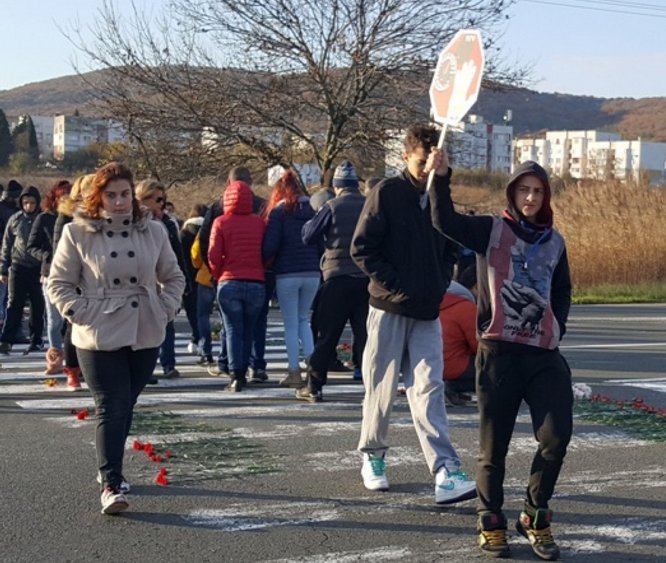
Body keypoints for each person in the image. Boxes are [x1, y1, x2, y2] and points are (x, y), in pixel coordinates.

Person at [430, 158, 572, 560]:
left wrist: (556, 326)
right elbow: (445, 221)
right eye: (524, 189)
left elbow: (562, 290)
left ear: (545, 196)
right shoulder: (491, 230)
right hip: (499, 354)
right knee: (494, 449)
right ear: (512, 192)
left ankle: (534, 515)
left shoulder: (555, 242)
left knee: (556, 437)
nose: (531, 197)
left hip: (544, 355)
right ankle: (490, 519)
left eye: (538, 191)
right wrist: (441, 179)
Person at [47, 162, 185, 515]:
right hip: (97, 333)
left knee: (127, 403)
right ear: (98, 197)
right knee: (111, 404)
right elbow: (59, 283)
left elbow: (173, 276)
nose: (119, 202)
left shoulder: (153, 231)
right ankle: (112, 482)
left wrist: (164, 309)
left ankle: (108, 464)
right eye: (111, 195)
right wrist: (84, 313)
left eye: (125, 194)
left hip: (144, 328)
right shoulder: (78, 233)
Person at [350, 124, 475, 506]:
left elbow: (451, 239)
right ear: (406, 157)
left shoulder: (440, 193)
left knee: (429, 388)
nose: (427, 170)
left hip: (427, 310)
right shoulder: (387, 192)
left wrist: (439, 282)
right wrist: (396, 285)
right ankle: (373, 455)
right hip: (388, 307)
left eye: (433, 163)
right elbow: (362, 248)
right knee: (380, 388)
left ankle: (445, 469)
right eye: (422, 163)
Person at [299, 160, 368, 402]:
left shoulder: (332, 206)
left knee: (327, 334)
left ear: (337, 186)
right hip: (365, 279)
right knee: (366, 336)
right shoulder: (370, 205)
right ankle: (372, 386)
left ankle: (314, 386)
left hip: (337, 277)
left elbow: (308, 236)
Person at [199, 167, 267, 380]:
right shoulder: (262, 212)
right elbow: (269, 247)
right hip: (257, 279)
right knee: (252, 328)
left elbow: (209, 249)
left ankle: (232, 370)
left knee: (231, 328)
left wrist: (216, 273)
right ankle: (255, 366)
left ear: (229, 184)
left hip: (228, 279)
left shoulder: (219, 214)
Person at [262, 169, 321, 387]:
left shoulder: (279, 212)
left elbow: (270, 246)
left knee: (290, 325)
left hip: (287, 272)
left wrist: (264, 260)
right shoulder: (313, 210)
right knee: (304, 320)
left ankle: (294, 371)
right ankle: (312, 369)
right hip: (312, 271)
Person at [135, 179, 188, 380]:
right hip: (142, 283)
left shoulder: (167, 223)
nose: (161, 204)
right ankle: (145, 368)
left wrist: (183, 285)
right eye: (158, 199)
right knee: (142, 328)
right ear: (144, 198)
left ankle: (168, 363)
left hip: (163, 282)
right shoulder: (132, 222)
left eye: (163, 200)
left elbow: (177, 254)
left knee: (166, 323)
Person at [53, 174, 95, 390]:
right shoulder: (67, 218)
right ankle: (73, 369)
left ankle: (91, 369)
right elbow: (59, 252)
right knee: (73, 326)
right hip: (75, 280)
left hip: (95, 279)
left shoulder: (100, 215)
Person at [27, 179, 72, 375]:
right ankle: (56, 358)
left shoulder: (75, 219)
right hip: (50, 272)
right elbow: (31, 245)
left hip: (73, 275)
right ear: (54, 198)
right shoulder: (44, 218)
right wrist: (46, 255)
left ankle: (74, 361)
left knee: (73, 321)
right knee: (54, 322)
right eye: (62, 197)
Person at [0, 184, 45, 354]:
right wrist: (3, 268)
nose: (29, 206)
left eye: (32, 203)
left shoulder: (42, 219)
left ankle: (36, 339)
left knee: (37, 305)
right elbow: (7, 245)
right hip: (18, 266)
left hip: (37, 268)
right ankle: (6, 339)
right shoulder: (15, 219)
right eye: (25, 203)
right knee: (14, 304)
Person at [180, 203, 208, 355]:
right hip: (205, 276)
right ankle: (205, 345)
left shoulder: (183, 233)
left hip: (186, 277)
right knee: (204, 313)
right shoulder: (208, 231)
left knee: (192, 311)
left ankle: (195, 337)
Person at [0, 180, 22, 328]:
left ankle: (10, 325)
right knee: (6, 294)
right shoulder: (11, 212)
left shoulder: (13, 211)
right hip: (8, 254)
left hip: (12, 255)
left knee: (9, 294)